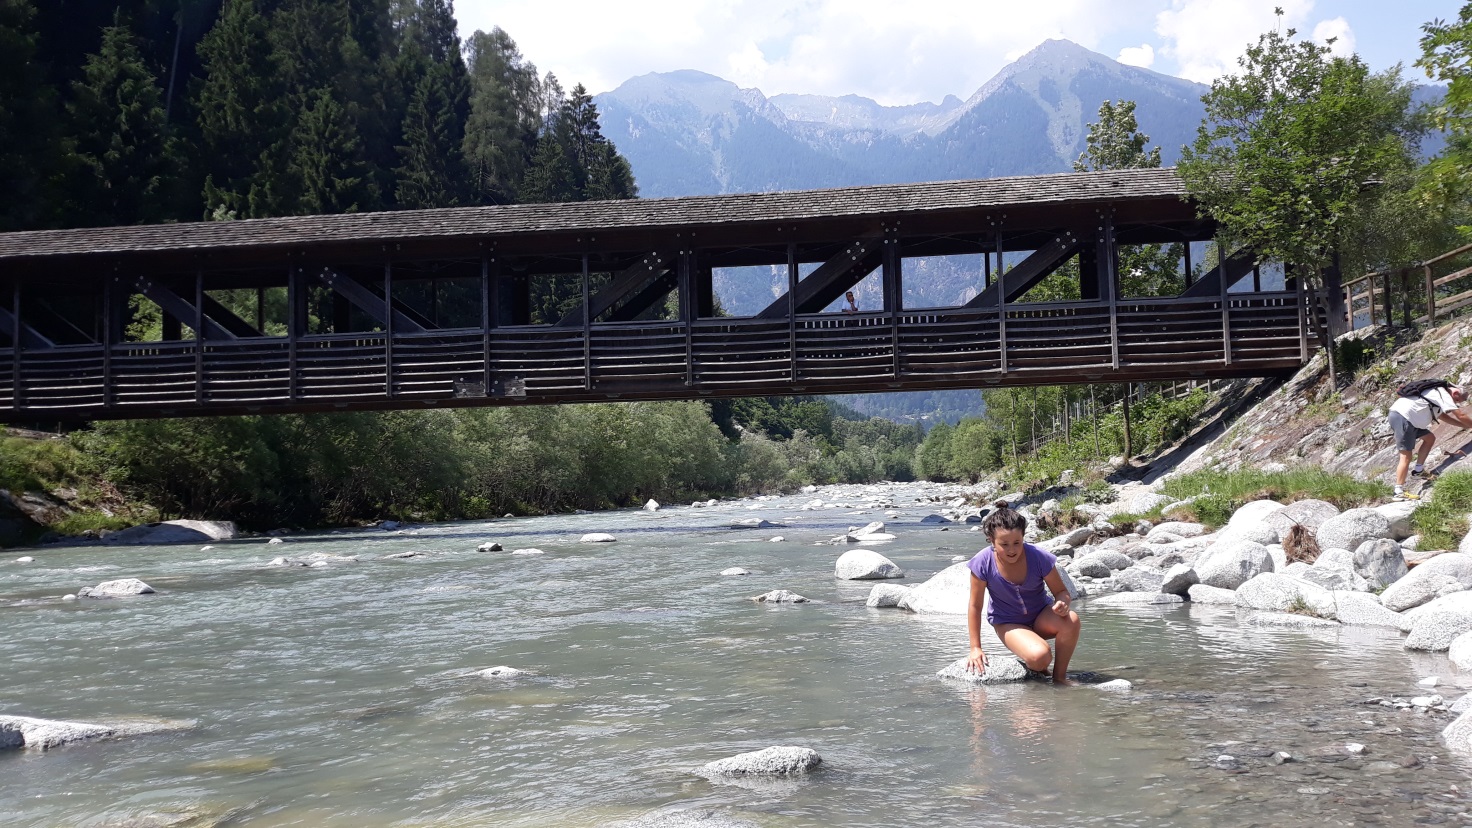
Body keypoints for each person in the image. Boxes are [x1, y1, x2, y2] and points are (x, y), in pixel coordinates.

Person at [965, 501, 1081, 685]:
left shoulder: (1038, 557)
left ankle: (1059, 678)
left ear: (1023, 537)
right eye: (1004, 544)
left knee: (1072, 619)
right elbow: (974, 606)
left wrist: (1062, 603)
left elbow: (1061, 591)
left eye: (1017, 543)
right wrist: (975, 648)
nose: (1011, 550)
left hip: (1041, 616)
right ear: (992, 541)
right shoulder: (982, 563)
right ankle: (1040, 668)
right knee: (1040, 657)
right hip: (1008, 623)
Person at [1389, 381, 1472, 501]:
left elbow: (1444, 417)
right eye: (1457, 401)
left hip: (1408, 419)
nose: (1456, 403)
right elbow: (1461, 415)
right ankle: (1398, 491)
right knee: (1406, 456)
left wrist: (1465, 426)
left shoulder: (1435, 394)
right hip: (1403, 418)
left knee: (1429, 438)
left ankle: (1418, 471)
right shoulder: (1442, 393)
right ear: (1455, 394)